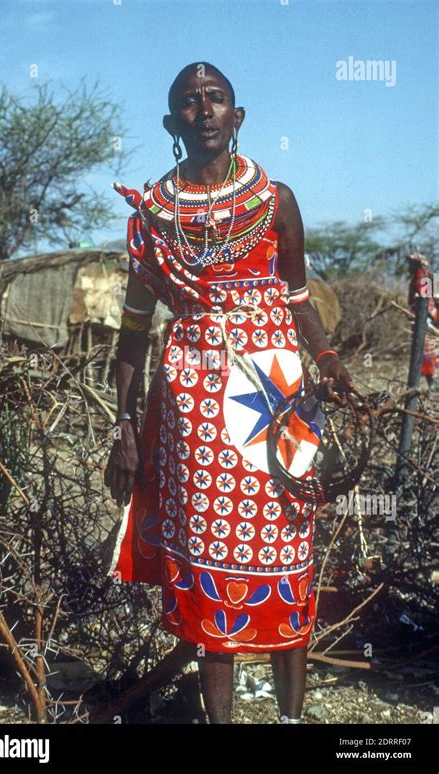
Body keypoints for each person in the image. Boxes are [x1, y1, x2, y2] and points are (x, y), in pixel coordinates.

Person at [104, 62, 354, 724]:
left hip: (280, 397)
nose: (205, 110)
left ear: (237, 117)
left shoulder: (276, 201)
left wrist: (327, 359)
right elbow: (132, 336)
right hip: (193, 407)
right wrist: (122, 430)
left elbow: (297, 299)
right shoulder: (152, 220)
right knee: (212, 564)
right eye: (189, 102)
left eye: (217, 100)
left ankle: (291, 722)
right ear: (171, 123)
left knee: (289, 551)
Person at [407, 252, 438, 392]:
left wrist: (428, 318)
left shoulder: (422, 276)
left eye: (411, 263)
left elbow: (425, 302)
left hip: (426, 322)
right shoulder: (428, 276)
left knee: (425, 353)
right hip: (428, 320)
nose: (409, 266)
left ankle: (431, 385)